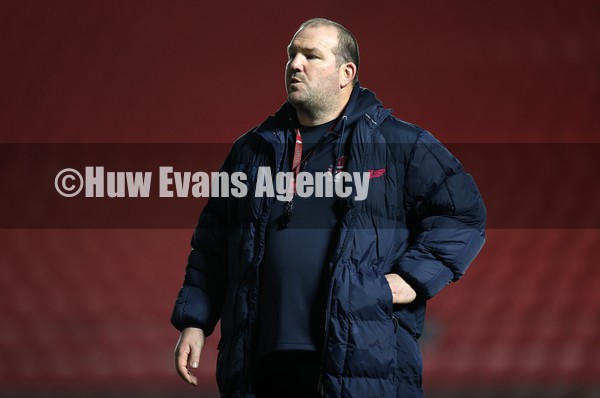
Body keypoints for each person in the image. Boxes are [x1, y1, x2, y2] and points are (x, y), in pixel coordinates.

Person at [171, 18, 486, 398]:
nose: (294, 65)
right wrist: (195, 322)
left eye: (311, 56)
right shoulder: (251, 151)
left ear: (345, 73)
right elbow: (213, 242)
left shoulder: (399, 143)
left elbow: (463, 214)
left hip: (359, 360)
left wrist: (412, 279)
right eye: (291, 55)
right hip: (261, 365)